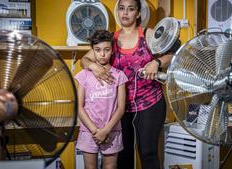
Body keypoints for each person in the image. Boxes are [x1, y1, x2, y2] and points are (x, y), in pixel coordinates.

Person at [81, 0, 177, 168]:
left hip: (150, 103)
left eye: (131, 9)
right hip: (120, 107)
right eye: (122, 9)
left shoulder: (147, 34)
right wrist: (94, 66)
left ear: (138, 13)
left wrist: (158, 62)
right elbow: (85, 59)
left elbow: (171, 55)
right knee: (123, 155)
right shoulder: (111, 39)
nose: (125, 13)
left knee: (148, 153)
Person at [75, 30, 128, 169]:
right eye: (98, 50)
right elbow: (79, 107)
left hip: (112, 131)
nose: (102, 54)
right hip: (88, 131)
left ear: (112, 50)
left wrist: (106, 130)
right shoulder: (84, 75)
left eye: (107, 50)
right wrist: (95, 130)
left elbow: (121, 108)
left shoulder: (119, 76)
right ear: (92, 50)